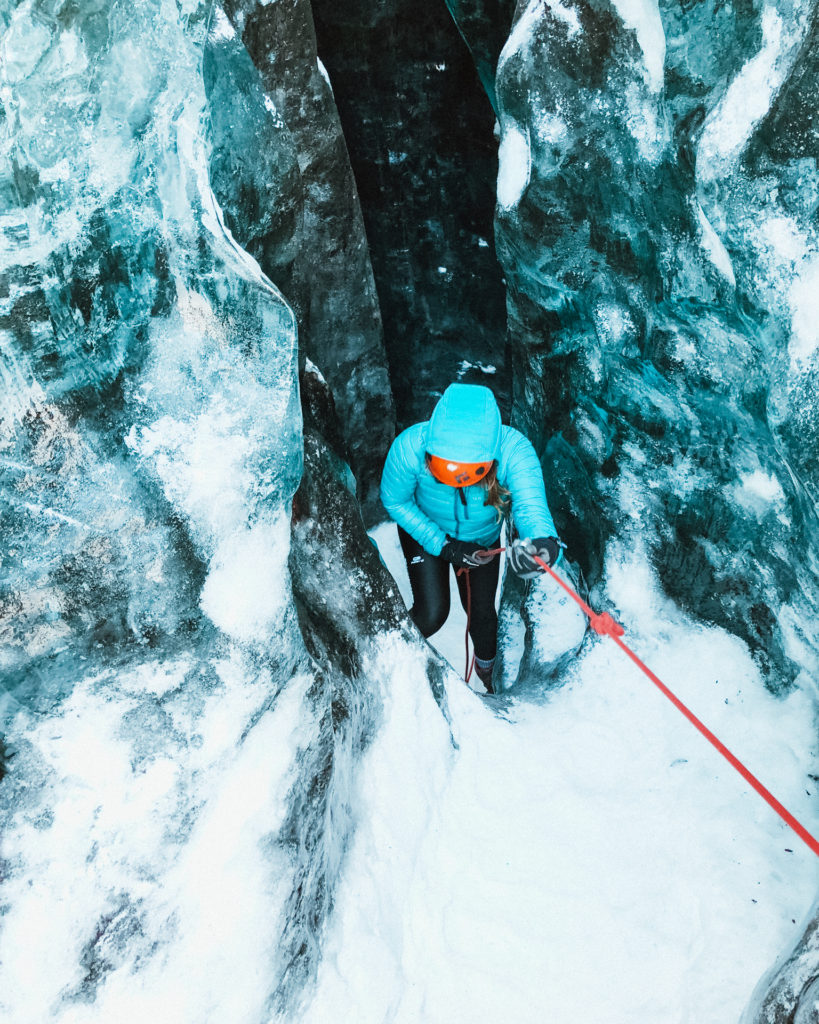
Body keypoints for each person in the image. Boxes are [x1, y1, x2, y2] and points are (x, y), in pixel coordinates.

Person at [380, 382, 562, 693]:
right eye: (444, 467)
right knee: (432, 613)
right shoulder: (411, 447)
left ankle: (490, 681)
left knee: (483, 618)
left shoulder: (512, 450)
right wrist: (444, 545)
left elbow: (531, 503)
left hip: (482, 543)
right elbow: (395, 500)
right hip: (425, 531)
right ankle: (385, 659)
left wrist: (541, 541)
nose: (454, 476)